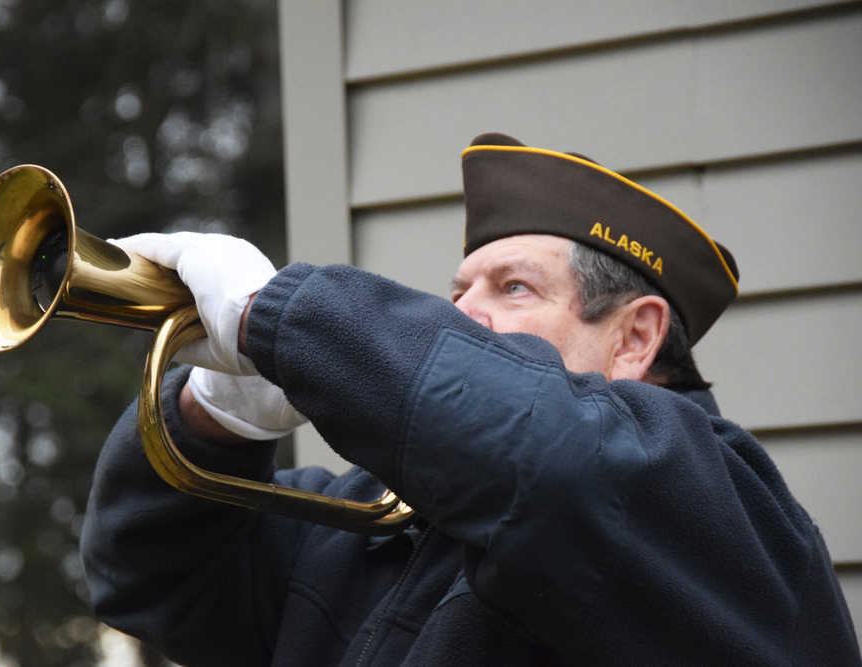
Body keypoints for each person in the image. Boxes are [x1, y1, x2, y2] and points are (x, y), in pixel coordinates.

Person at [80, 133, 861, 665]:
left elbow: (561, 463)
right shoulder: (377, 520)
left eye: (514, 286)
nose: (464, 314)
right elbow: (151, 579)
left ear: (634, 338)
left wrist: (279, 313)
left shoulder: (719, 508)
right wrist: (215, 415)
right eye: (458, 290)